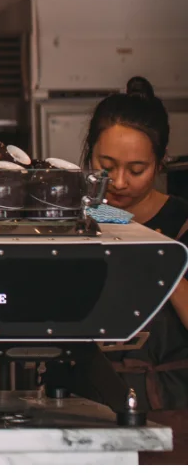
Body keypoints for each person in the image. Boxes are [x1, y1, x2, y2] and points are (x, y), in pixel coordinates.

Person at [85, 76, 188, 464]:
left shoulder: (181, 221)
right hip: (82, 402)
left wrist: (163, 260)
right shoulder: (76, 218)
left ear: (160, 163)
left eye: (137, 169)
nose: (119, 182)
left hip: (169, 410)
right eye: (106, 166)